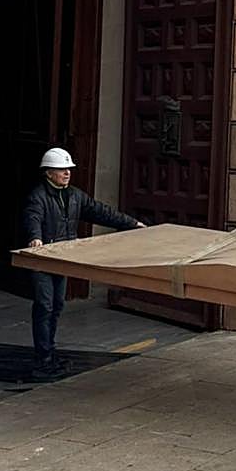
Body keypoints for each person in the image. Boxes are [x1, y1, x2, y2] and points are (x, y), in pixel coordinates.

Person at [23, 148, 144, 381]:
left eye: (68, 169)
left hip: (62, 259)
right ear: (48, 172)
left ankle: (50, 352)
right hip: (43, 259)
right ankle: (43, 358)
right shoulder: (38, 196)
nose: (67, 173)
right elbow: (33, 217)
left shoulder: (75, 196)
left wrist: (131, 223)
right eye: (61, 169)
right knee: (44, 306)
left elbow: (101, 212)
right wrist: (35, 237)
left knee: (57, 306)